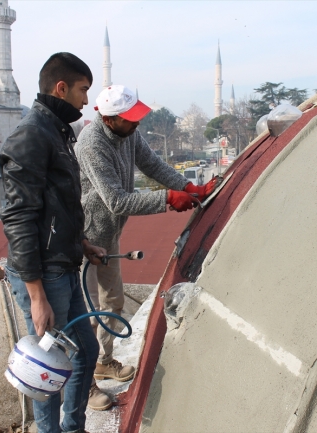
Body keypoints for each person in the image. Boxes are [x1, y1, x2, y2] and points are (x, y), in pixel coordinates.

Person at [74, 85, 217, 410]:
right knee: (87, 315)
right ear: (110, 120)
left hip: (108, 235)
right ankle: (86, 386)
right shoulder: (91, 143)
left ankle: (104, 360)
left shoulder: (127, 134)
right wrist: (167, 199)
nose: (137, 123)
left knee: (114, 301)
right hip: (84, 239)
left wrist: (187, 186)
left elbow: (153, 165)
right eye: (131, 119)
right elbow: (115, 200)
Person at [0, 52, 107, 433]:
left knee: (86, 351)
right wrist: (36, 294)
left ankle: (73, 427)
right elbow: (18, 217)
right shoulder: (31, 135)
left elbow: (57, 206)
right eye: (82, 90)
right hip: (43, 274)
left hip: (62, 264)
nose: (85, 100)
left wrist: (80, 243)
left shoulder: (56, 132)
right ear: (60, 88)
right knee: (47, 370)